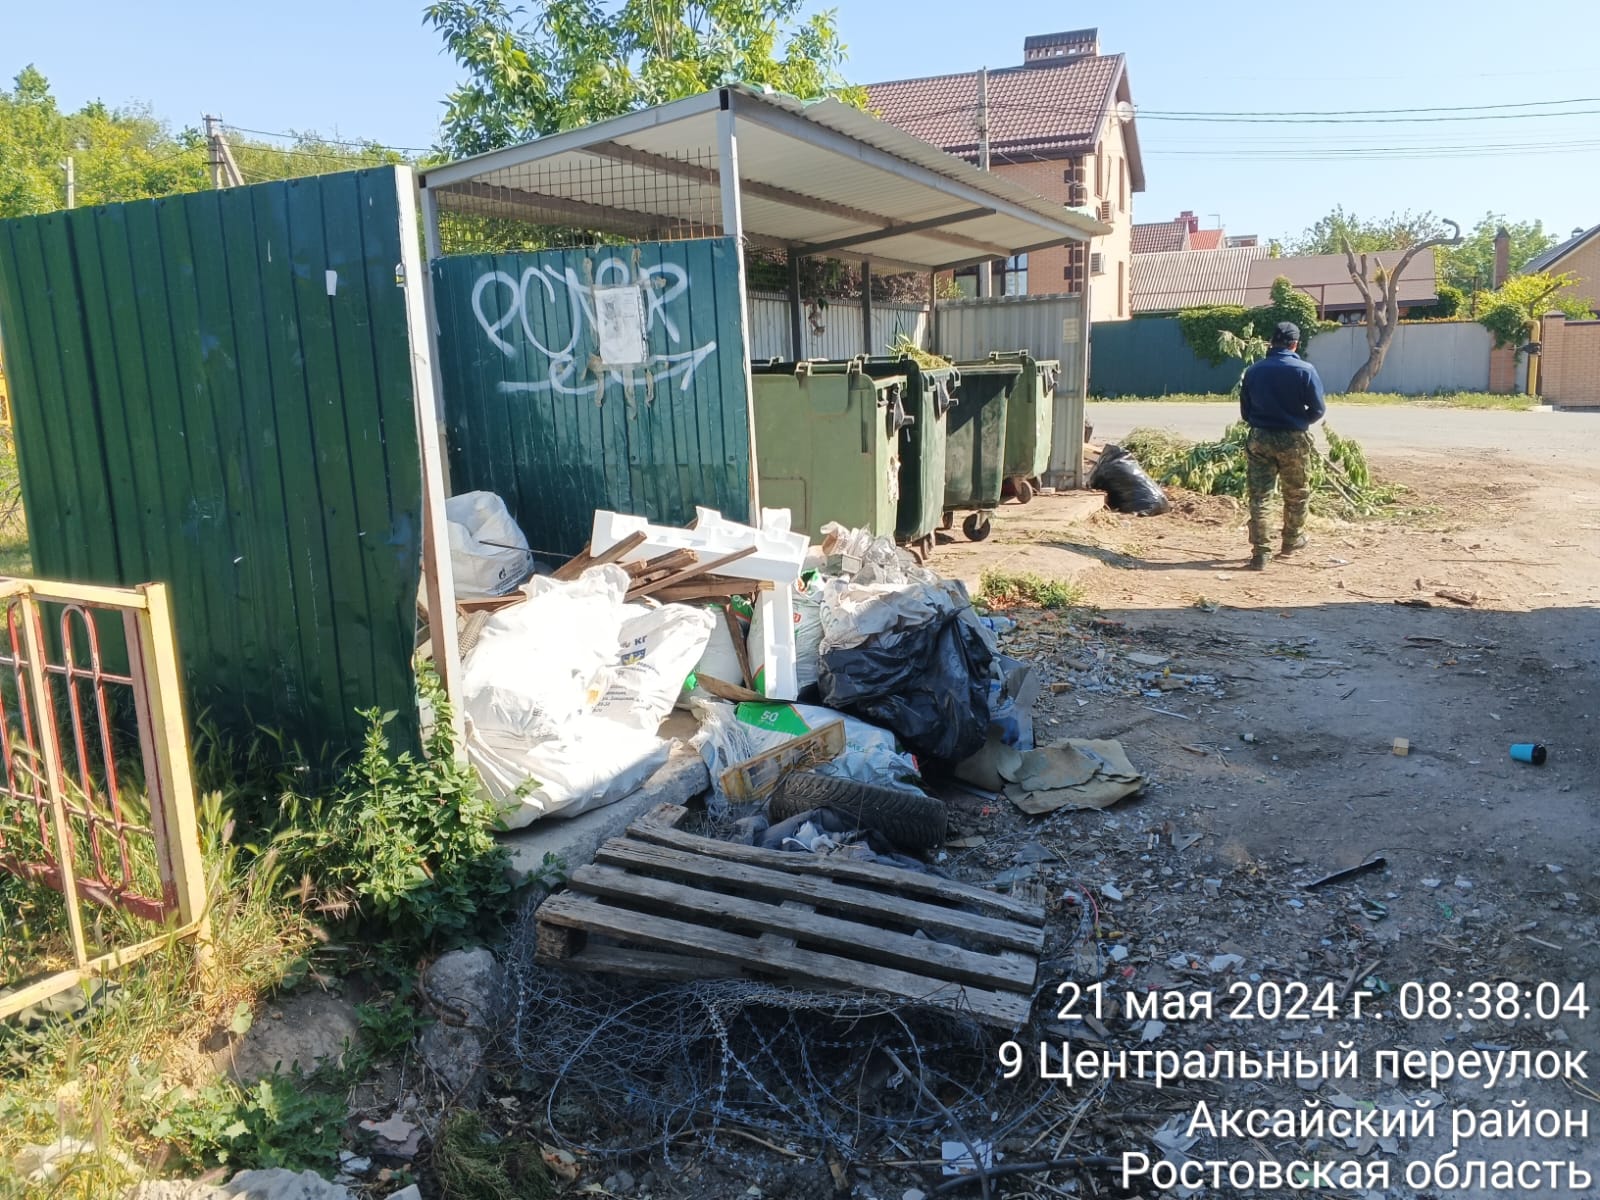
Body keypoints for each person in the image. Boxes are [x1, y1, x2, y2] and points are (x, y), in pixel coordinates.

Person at [1239, 321, 1326, 569]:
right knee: (1297, 493)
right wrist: (1299, 421)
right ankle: (1291, 541)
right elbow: (1318, 409)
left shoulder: (1254, 371)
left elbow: (1246, 411)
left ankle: (1261, 553)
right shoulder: (1305, 370)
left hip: (1260, 438)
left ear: (1271, 342)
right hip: (1293, 440)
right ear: (1295, 344)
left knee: (1260, 496)